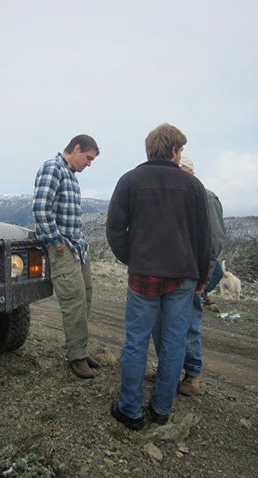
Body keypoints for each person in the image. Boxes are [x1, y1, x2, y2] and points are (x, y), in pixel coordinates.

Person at [106, 123, 211, 430]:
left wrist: (132, 258)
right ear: (175, 151)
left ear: (149, 149)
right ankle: (161, 409)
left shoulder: (129, 180)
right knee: (175, 341)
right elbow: (203, 238)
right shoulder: (193, 186)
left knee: (137, 341)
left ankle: (130, 410)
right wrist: (202, 278)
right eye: (182, 150)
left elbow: (114, 229)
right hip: (182, 276)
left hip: (144, 275)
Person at [33, 134, 100, 379]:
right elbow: (41, 207)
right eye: (88, 158)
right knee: (73, 302)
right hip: (63, 248)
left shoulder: (71, 175)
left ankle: (80, 349)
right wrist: (56, 240)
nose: (89, 164)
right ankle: (76, 358)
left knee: (86, 298)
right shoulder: (53, 168)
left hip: (78, 247)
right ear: (77, 148)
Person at [175, 154, 226, 396]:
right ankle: (170, 370)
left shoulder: (206, 197)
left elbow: (214, 240)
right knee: (170, 325)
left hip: (194, 273)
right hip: (175, 271)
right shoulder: (178, 194)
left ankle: (193, 375)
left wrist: (203, 279)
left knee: (189, 323)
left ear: (188, 170)